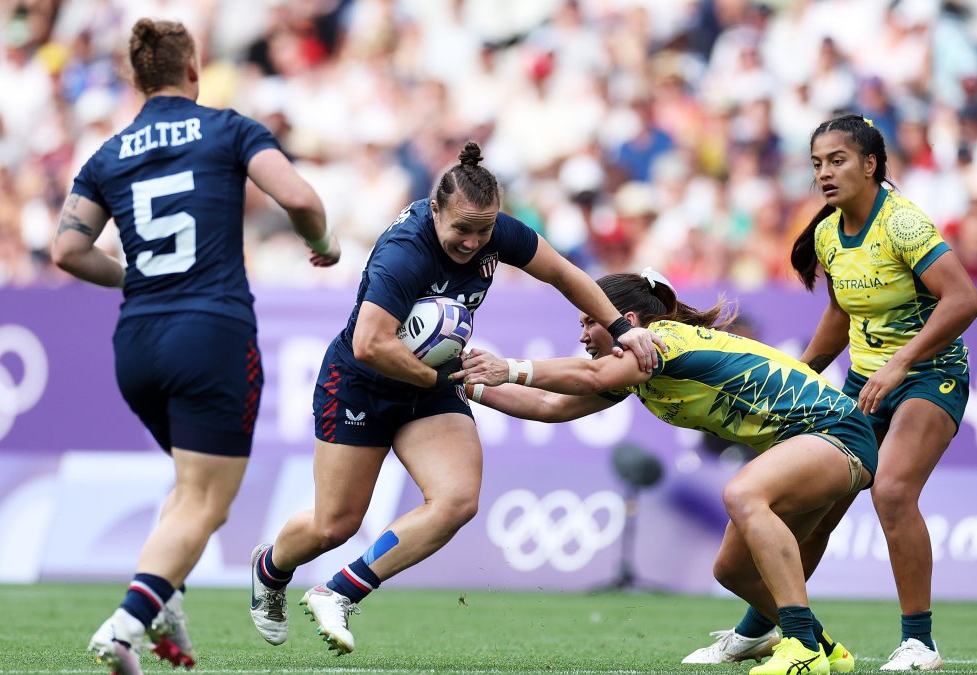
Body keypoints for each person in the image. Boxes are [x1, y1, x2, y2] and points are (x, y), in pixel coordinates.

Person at [247, 141, 664, 655]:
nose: (471, 242)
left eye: (483, 231)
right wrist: (432, 378)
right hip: (361, 383)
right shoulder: (405, 253)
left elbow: (563, 273)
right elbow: (369, 343)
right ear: (435, 209)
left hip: (430, 383)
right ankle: (270, 568)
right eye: (461, 229)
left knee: (457, 501)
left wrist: (621, 327)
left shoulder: (496, 232)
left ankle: (338, 592)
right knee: (335, 523)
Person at [51, 18, 339, 675]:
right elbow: (298, 196)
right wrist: (324, 244)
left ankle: (164, 603)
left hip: (136, 341)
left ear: (136, 79)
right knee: (209, 500)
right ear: (193, 71)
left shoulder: (108, 154)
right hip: (209, 332)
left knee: (188, 489)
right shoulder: (228, 128)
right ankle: (125, 622)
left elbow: (66, 249)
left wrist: (134, 275)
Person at [454, 269, 878, 675]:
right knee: (732, 571)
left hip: (837, 433)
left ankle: (801, 647)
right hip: (805, 447)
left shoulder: (663, 340)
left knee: (743, 493)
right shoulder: (635, 370)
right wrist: (466, 385)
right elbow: (551, 407)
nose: (582, 335)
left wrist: (508, 367)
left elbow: (588, 375)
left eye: (589, 322)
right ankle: (824, 648)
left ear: (629, 321)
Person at [690, 114, 977, 672]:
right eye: (817, 163)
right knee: (819, 510)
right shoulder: (827, 232)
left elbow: (964, 300)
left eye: (838, 160)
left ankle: (919, 643)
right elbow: (838, 314)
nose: (825, 173)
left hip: (930, 375)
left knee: (893, 492)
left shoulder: (904, 224)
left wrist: (899, 364)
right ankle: (760, 629)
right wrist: (799, 373)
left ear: (871, 165)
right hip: (863, 384)